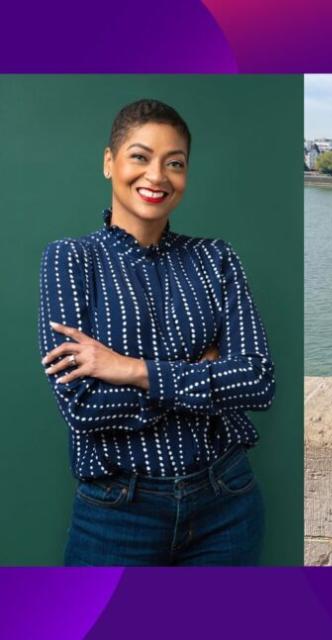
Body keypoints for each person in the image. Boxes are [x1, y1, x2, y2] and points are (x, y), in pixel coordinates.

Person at [38, 99, 275, 566]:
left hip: (226, 500)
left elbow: (257, 381)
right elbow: (84, 408)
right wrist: (202, 376)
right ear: (110, 162)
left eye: (175, 163)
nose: (158, 176)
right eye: (140, 156)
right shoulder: (70, 260)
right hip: (117, 511)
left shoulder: (215, 258)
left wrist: (127, 370)